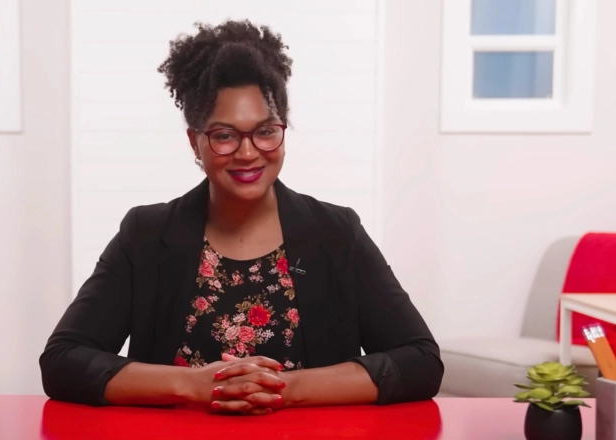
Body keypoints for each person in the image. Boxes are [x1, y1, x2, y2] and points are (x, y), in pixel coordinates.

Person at [39, 19, 443, 415]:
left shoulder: (336, 233)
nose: (248, 153)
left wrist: (287, 388)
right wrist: (194, 385)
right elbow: (63, 361)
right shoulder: (145, 234)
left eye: (265, 131)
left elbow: (421, 362)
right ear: (194, 141)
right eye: (224, 135)